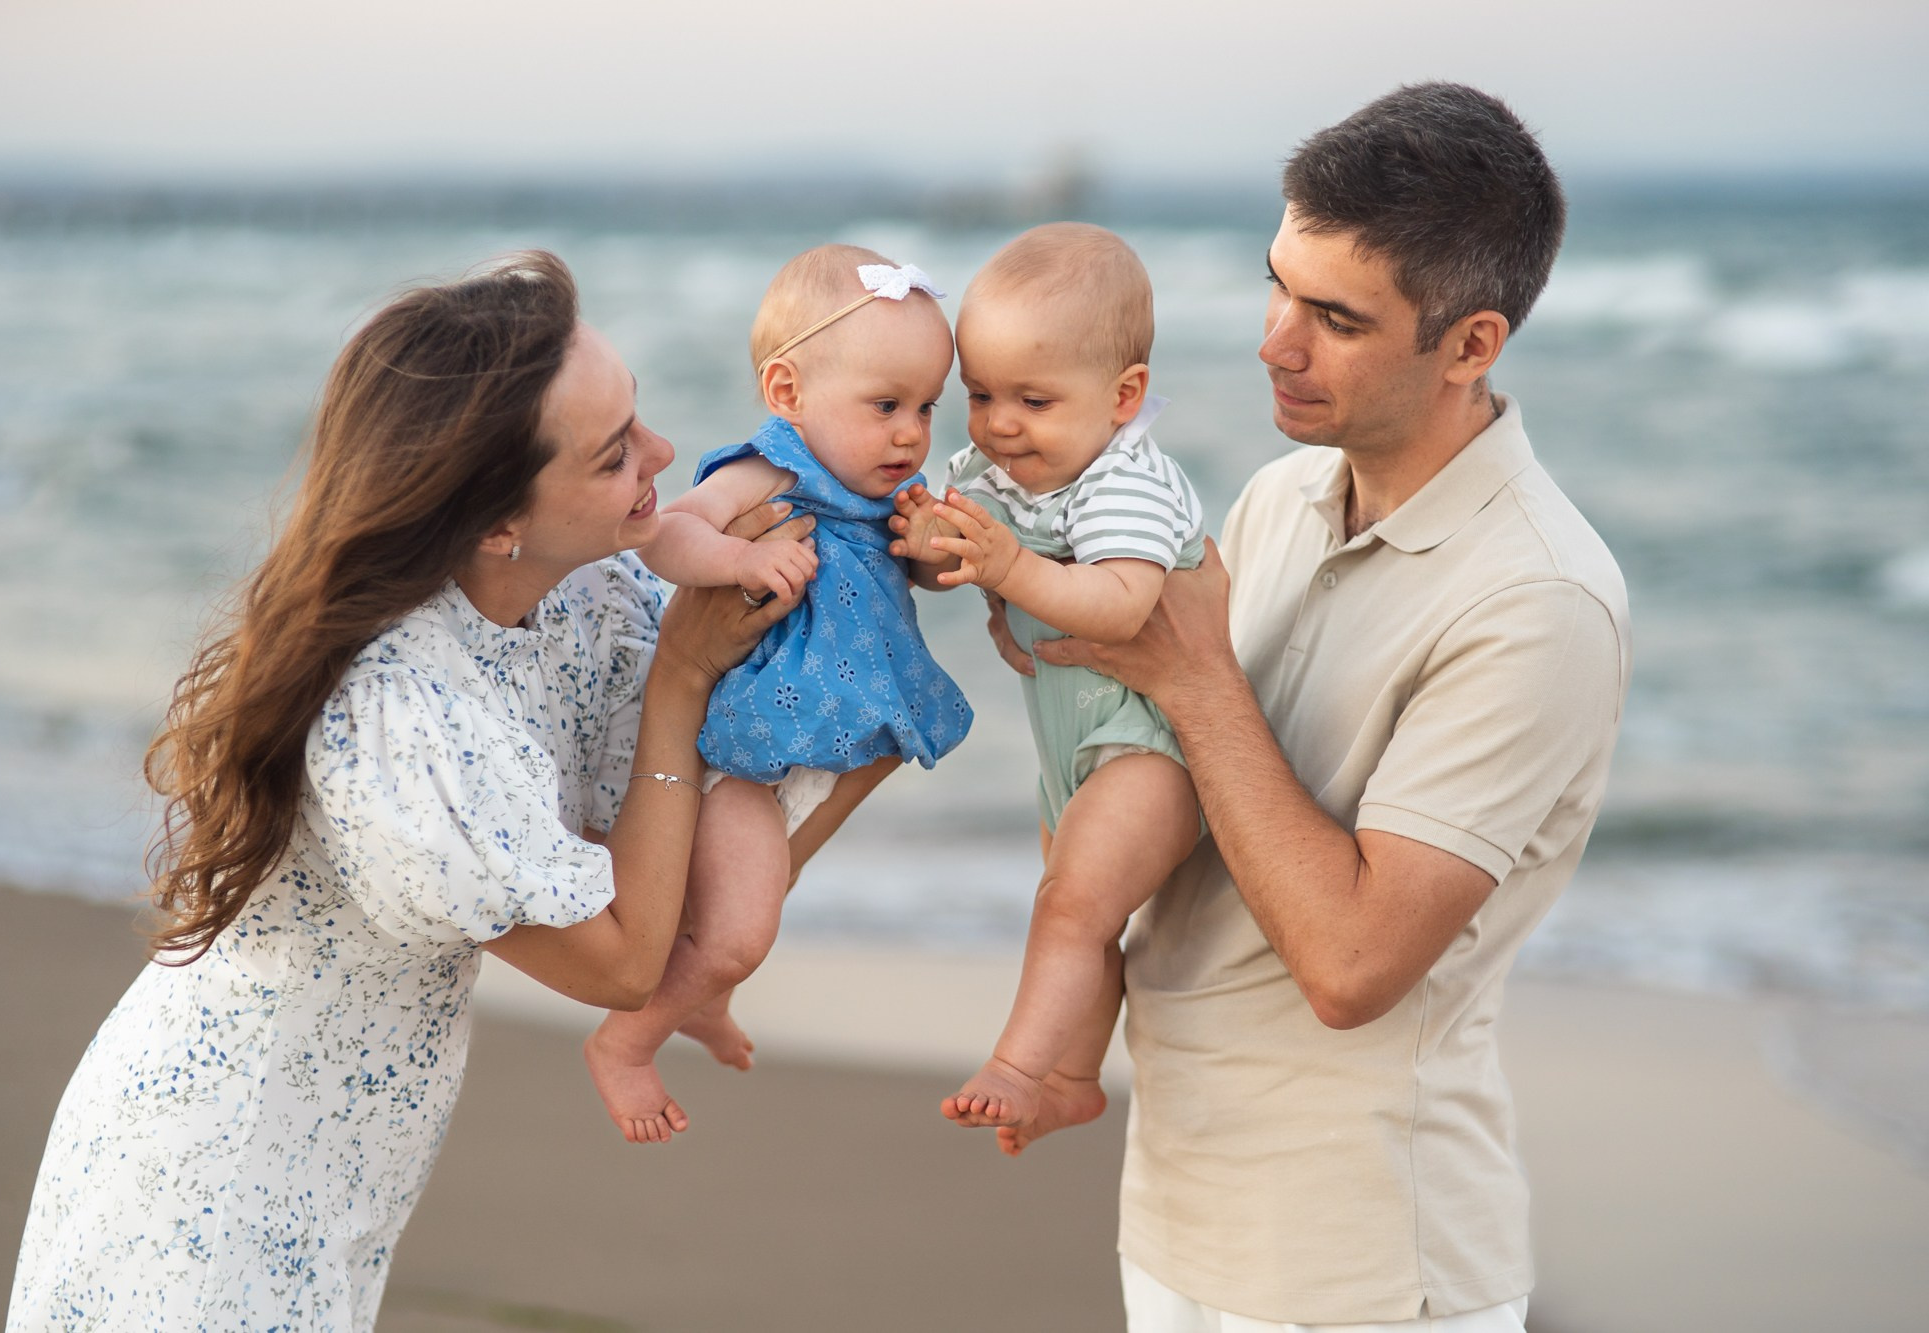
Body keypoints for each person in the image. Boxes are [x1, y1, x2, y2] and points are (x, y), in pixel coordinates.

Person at [6, 252, 808, 1331]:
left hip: (332, 1184)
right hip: (207, 1197)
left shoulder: (577, 596)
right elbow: (622, 958)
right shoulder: (395, 711)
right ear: (493, 524)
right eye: (617, 454)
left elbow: (732, 755)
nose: (664, 457)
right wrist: (677, 680)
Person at [1007, 85, 1631, 1329]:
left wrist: (1189, 675)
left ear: (1470, 344)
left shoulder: (1540, 600)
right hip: (1177, 1204)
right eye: (1277, 286)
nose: (1272, 342)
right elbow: (1174, 809)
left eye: (1334, 318)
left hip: (1360, 1262)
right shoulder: (1279, 499)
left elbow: (1352, 967)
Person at [585, 243, 971, 1143]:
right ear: (790, 391)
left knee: (754, 900)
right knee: (739, 929)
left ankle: (701, 999)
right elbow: (666, 533)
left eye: (925, 407)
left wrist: (940, 559)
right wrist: (743, 557)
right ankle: (626, 1042)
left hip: (809, 741)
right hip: (737, 746)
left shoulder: (888, 487)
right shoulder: (777, 466)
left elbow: (909, 579)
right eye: (886, 405)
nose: (912, 433)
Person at [887, 223, 1205, 1131]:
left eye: (1033, 397)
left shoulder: (1127, 479)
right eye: (980, 394)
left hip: (1154, 749)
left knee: (1070, 905)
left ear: (1123, 396)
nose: (1000, 423)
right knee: (1078, 910)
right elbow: (952, 560)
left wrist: (1009, 572)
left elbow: (1124, 606)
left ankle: (1017, 1066)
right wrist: (923, 550)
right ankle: (1071, 1077)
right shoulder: (998, 471)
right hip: (1071, 752)